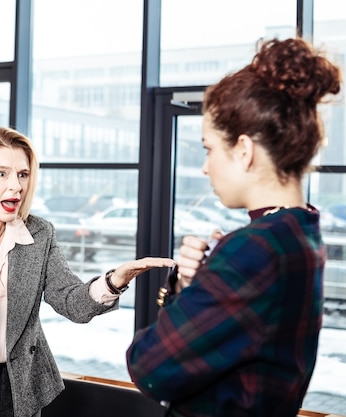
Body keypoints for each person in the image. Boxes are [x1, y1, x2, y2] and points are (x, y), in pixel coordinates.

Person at [126, 37, 342, 417]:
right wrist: (191, 286)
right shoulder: (302, 231)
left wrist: (189, 291)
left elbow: (149, 367)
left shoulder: (255, 248)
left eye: (209, 149)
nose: (206, 167)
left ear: (244, 151)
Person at [0, 127, 175, 417]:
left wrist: (114, 281)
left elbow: (71, 302)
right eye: (1, 173)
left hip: (20, 383)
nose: (16, 186)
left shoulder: (40, 233)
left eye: (23, 174)